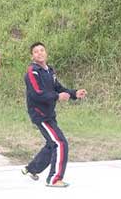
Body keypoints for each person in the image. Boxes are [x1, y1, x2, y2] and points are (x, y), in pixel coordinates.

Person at [22, 42, 86, 187]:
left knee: (52, 143)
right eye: (36, 51)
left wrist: (74, 93)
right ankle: (54, 179)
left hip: (49, 114)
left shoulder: (49, 71)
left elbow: (59, 88)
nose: (39, 53)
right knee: (60, 143)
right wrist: (57, 97)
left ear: (46, 53)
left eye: (42, 50)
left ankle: (32, 169)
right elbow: (37, 94)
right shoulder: (33, 71)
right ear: (32, 56)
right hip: (40, 115)